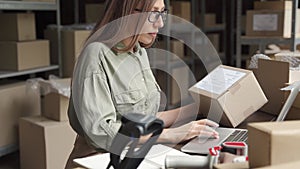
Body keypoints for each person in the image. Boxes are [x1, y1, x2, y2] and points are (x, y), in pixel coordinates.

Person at [65, 0, 219, 168]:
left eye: (162, 14)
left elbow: (144, 117)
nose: (160, 23)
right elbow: (101, 134)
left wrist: (198, 108)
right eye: (153, 14)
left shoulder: (139, 53)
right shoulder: (96, 54)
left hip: (137, 157)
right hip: (97, 161)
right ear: (128, 13)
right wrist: (172, 134)